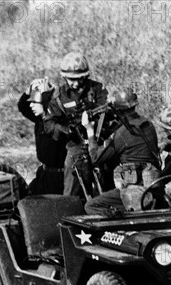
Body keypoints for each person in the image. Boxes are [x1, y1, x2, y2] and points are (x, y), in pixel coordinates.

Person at [84, 88, 162, 215]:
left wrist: (89, 131)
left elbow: (95, 158)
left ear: (117, 110)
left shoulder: (122, 133)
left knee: (91, 206)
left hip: (136, 191)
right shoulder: (148, 125)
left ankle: (119, 223)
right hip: (154, 186)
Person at [44, 52, 108, 201]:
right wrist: (66, 130)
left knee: (105, 190)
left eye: (80, 79)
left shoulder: (98, 89)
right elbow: (49, 124)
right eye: (72, 80)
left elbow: (107, 110)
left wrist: (94, 120)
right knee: (71, 193)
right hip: (75, 146)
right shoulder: (58, 96)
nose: (76, 84)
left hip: (99, 144)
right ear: (64, 77)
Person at [17, 78, 66, 195]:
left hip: (59, 178)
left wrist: (47, 95)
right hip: (44, 174)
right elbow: (22, 106)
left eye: (35, 103)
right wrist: (29, 89)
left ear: (45, 102)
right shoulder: (39, 120)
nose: (32, 106)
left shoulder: (59, 122)